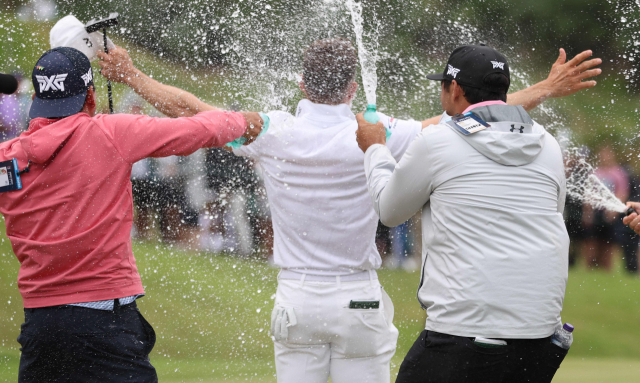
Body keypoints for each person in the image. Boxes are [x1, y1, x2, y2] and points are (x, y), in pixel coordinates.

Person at [98, 40, 600, 383]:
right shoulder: (378, 133)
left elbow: (190, 110)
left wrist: (132, 75)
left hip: (297, 298)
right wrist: (545, 90)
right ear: (352, 88)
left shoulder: (273, 131)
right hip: (359, 300)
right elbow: (468, 117)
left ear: (300, 83)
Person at [0, 47, 263, 382]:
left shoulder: (6, 159)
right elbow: (197, 130)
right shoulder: (110, 132)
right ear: (91, 95)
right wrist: (246, 121)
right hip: (105, 323)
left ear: (37, 97)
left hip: (40, 328)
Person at [356, 44, 576, 383]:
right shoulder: (548, 144)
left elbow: (389, 210)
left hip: (463, 334)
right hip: (539, 337)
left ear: (455, 89)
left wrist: (374, 148)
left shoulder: (437, 141)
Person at [582, 144, 630, 271]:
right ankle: (590, 269)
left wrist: (613, 211)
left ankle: (606, 269)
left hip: (610, 211)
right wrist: (588, 211)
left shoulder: (618, 173)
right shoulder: (595, 172)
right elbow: (588, 193)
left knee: (608, 242)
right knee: (591, 241)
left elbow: (622, 192)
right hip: (596, 211)